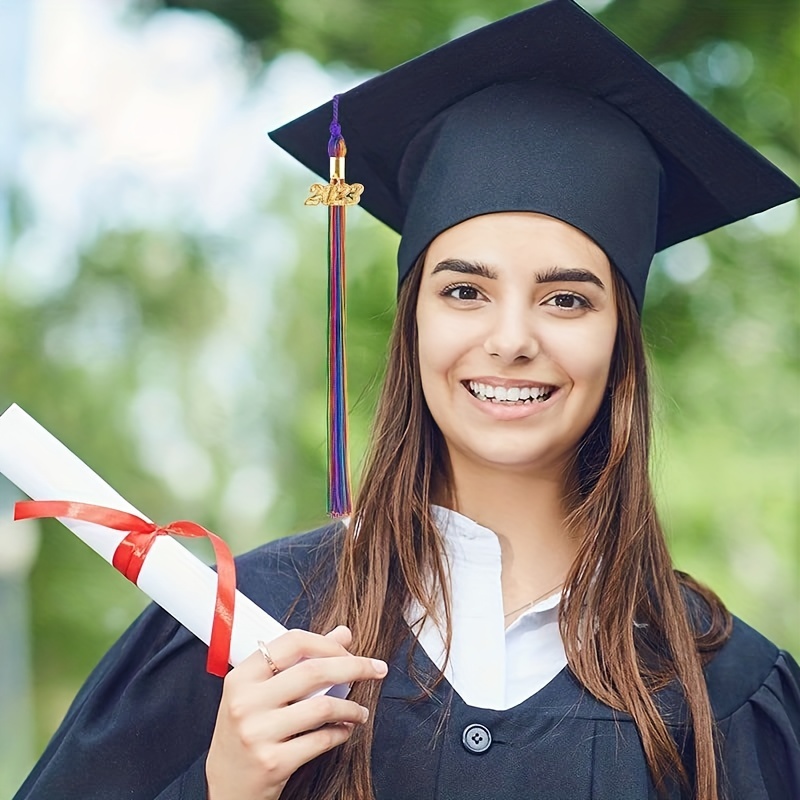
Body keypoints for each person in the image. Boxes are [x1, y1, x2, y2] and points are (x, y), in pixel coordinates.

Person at [13, 1, 800, 799]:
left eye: (567, 300)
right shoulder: (246, 630)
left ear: (620, 341)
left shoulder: (727, 691)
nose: (511, 337)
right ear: (414, 320)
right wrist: (222, 789)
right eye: (464, 290)